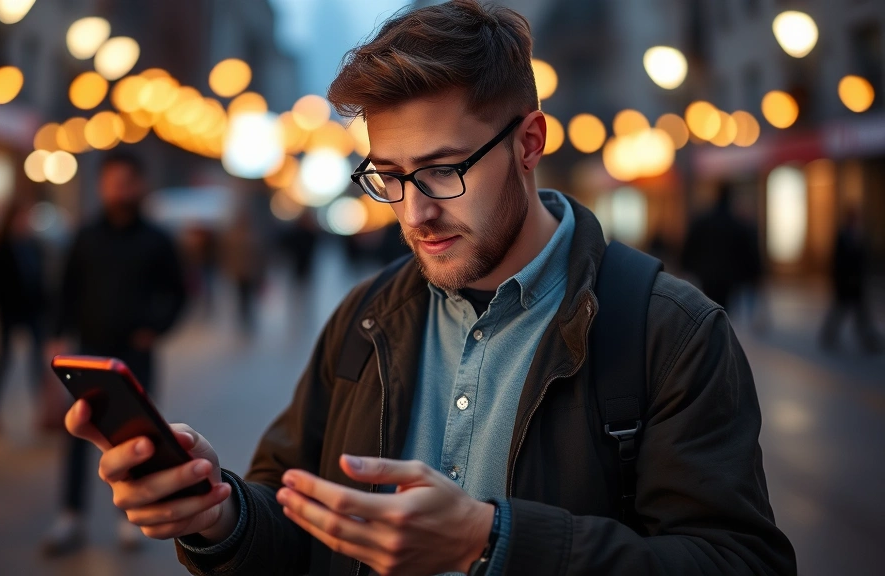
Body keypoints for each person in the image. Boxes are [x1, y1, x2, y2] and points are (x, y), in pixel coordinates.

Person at [67, 2, 796, 575]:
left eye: (444, 170)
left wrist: (495, 544)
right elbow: (292, 526)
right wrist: (218, 516)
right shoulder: (365, 317)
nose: (414, 212)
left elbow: (740, 561)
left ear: (528, 144)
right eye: (389, 176)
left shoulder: (668, 331)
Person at [42, 152, 186, 555]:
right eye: (110, 181)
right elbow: (65, 292)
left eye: (125, 181)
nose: (117, 189)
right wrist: (56, 338)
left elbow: (178, 293)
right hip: (88, 352)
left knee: (136, 438)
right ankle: (70, 515)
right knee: (76, 436)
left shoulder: (157, 239)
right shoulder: (86, 236)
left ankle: (130, 518)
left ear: (139, 184)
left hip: (134, 357)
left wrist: (155, 329)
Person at [0, 194, 47, 433]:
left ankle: (44, 412)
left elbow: (41, 280)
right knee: (2, 359)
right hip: (8, 313)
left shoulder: (33, 246)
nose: (25, 222)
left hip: (33, 313)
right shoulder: (1, 246)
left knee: (39, 362)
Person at [681, 182, 763, 312]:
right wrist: (755, 274)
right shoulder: (736, 224)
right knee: (724, 308)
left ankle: (711, 326)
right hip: (728, 277)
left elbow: (690, 246)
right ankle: (720, 328)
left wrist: (686, 266)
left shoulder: (704, 221)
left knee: (709, 305)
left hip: (706, 273)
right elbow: (747, 252)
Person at [819, 208, 881, 353]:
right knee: (840, 312)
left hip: (856, 285)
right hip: (846, 285)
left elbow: (862, 261)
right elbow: (837, 261)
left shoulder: (859, 236)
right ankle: (828, 334)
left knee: (861, 315)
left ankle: (869, 341)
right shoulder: (842, 236)